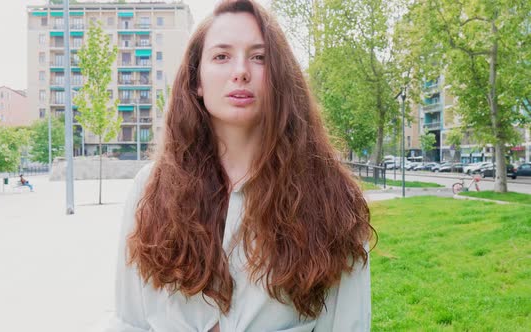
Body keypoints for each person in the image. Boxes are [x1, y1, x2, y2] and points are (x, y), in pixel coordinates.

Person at [105, 1, 374, 331]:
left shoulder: (333, 198)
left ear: (280, 77)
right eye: (221, 56)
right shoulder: (150, 189)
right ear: (196, 81)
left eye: (259, 57)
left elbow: (349, 325)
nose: (241, 71)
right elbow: (128, 321)